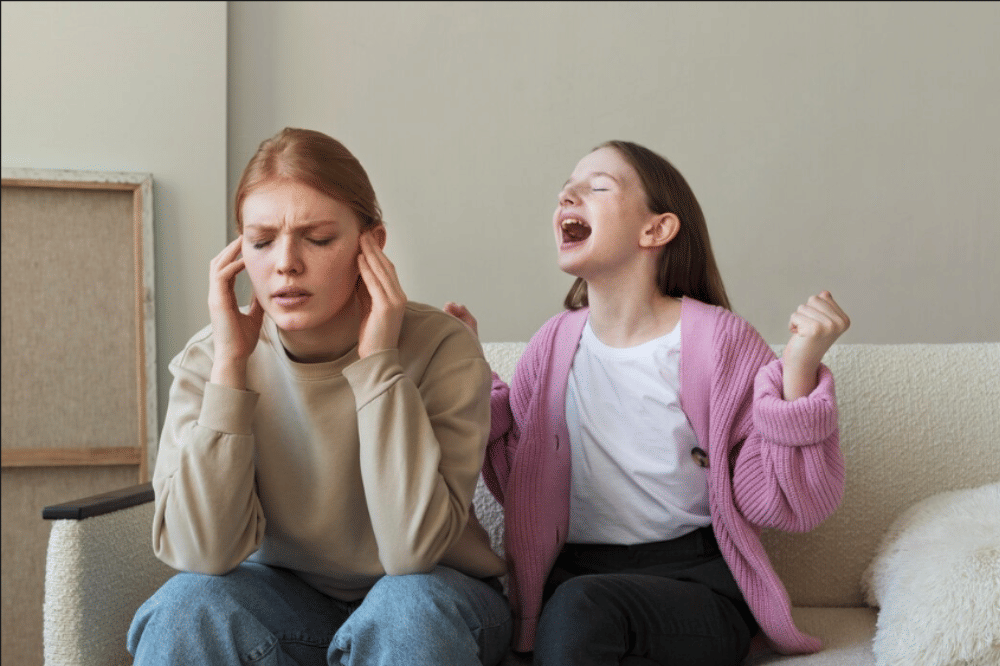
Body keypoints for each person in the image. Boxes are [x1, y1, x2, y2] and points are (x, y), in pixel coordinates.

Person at [445, 140, 850, 665]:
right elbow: (516, 481)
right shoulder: (551, 345)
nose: (568, 195)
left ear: (655, 230)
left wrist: (797, 375)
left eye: (596, 187)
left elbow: (782, 504)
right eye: (565, 188)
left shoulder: (718, 341)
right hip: (575, 582)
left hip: (694, 586)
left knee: (577, 612)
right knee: (575, 611)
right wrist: (469, 375)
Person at [128, 127, 511, 666]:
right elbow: (202, 552)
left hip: (436, 596)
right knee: (184, 608)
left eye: (319, 238)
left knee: (406, 608)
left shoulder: (440, 348)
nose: (286, 263)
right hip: (283, 601)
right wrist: (230, 371)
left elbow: (411, 551)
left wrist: (378, 363)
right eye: (261, 242)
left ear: (370, 243)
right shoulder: (212, 358)